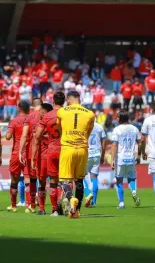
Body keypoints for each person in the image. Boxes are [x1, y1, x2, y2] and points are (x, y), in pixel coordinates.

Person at [57, 90, 95, 219]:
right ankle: (76, 211)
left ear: (68, 100)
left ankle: (71, 198)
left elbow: (59, 129)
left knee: (63, 181)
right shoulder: (90, 114)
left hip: (67, 148)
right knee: (79, 180)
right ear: (79, 99)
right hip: (82, 149)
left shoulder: (62, 111)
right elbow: (88, 132)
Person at [33, 92, 65, 216]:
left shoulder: (47, 117)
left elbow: (37, 136)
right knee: (66, 179)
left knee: (49, 180)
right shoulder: (67, 113)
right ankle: (63, 199)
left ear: (53, 101)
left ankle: (53, 209)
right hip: (65, 149)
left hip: (49, 151)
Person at [110, 110, 141, 209]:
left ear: (121, 118)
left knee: (119, 181)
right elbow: (140, 143)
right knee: (131, 178)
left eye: (118, 117)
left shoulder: (117, 129)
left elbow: (114, 145)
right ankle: (133, 191)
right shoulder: (135, 129)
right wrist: (139, 155)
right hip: (131, 158)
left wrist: (112, 160)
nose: (117, 119)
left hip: (120, 159)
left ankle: (122, 203)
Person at [5, 101, 31, 212]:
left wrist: (8, 132)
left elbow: (8, 137)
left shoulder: (14, 121)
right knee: (28, 178)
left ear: (18, 108)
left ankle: (13, 205)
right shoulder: (31, 119)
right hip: (28, 152)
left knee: (14, 179)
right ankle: (29, 206)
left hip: (16, 153)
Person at [19, 98, 42, 212]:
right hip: (44, 150)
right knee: (47, 179)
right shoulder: (46, 115)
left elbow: (23, 136)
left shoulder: (28, 117)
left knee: (30, 179)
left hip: (30, 151)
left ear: (32, 106)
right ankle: (46, 206)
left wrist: (20, 151)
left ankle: (30, 205)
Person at [30, 103, 53, 215]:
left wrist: (33, 158)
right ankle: (56, 207)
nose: (38, 114)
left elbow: (35, 141)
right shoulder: (57, 122)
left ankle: (42, 209)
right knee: (56, 182)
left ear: (44, 112)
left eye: (40, 112)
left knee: (42, 183)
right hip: (55, 154)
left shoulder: (41, 124)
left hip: (43, 156)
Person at [84, 121, 107, 208]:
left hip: (87, 154)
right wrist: (103, 155)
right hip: (97, 154)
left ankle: (88, 194)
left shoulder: (84, 125)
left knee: (81, 177)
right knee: (94, 178)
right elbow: (104, 142)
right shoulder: (99, 127)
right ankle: (93, 202)